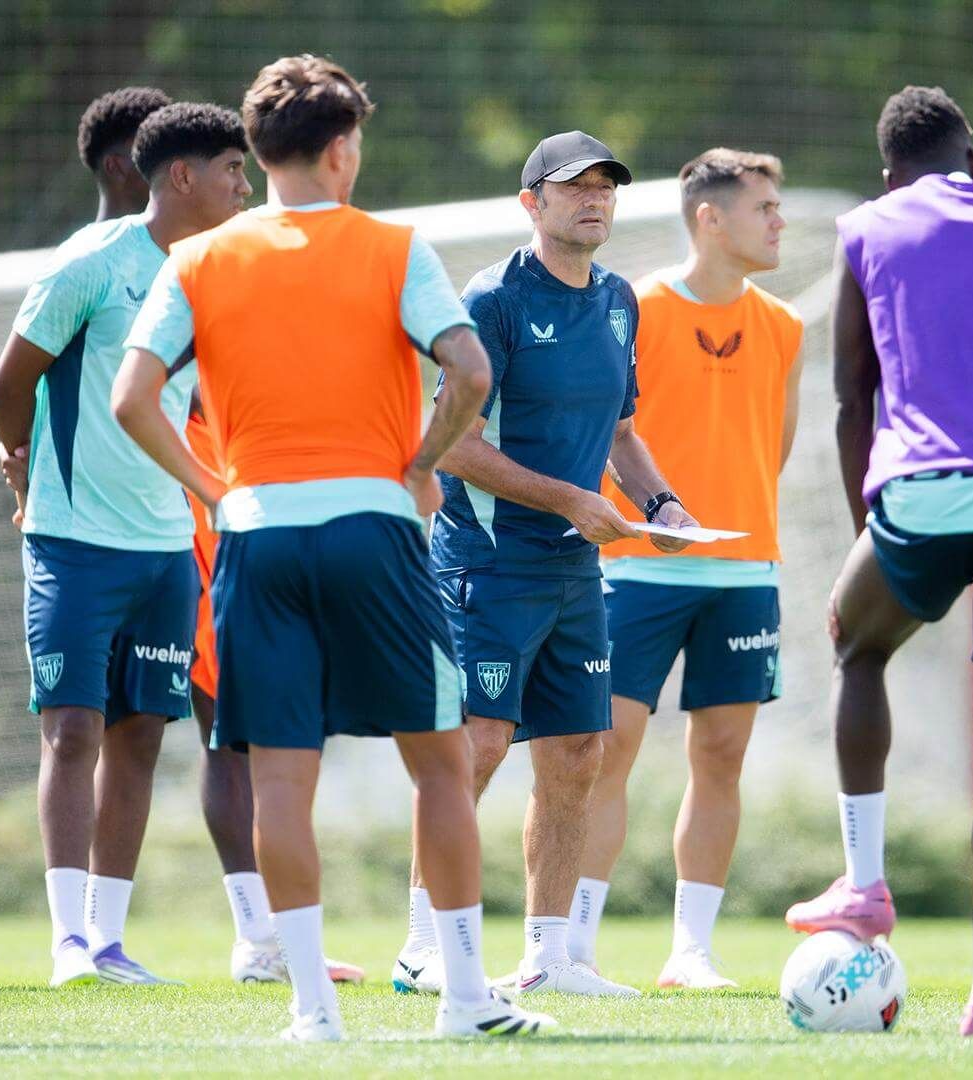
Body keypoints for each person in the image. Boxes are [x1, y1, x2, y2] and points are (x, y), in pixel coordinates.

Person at [113, 54, 550, 1041]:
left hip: (257, 537)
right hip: (374, 529)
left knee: (278, 775)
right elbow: (470, 369)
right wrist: (423, 459)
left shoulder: (199, 259)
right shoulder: (396, 248)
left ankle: (312, 1011)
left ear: (258, 153)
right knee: (440, 763)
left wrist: (213, 489)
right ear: (344, 150)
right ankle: (467, 999)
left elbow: (130, 398)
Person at [784, 85, 973, 1037]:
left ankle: (866, 885)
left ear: (889, 175)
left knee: (857, 643)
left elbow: (848, 397)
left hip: (927, 488)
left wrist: (864, 533)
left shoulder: (868, 227)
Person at [394, 130, 698, 1000]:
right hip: (487, 562)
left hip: (573, 570)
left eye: (606, 186)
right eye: (574, 188)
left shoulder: (619, 303)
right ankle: (421, 944)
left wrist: (662, 505)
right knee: (478, 747)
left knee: (576, 752)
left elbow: (620, 433)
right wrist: (569, 499)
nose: (594, 198)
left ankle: (551, 956)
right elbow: (451, 447)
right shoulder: (489, 299)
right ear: (533, 203)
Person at [0, 102, 260, 988]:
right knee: (72, 730)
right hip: (73, 542)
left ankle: (106, 940)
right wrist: (26, 481)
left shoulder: (212, 273)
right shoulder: (92, 263)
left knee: (142, 734)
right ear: (181, 177)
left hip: (166, 547)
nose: (244, 186)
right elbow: (9, 381)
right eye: (231, 170)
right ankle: (67, 941)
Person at [568, 148, 804, 989]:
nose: (779, 222)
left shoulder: (784, 326)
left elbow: (772, 449)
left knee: (723, 755)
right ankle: (575, 947)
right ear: (711, 217)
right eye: (764, 207)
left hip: (743, 573)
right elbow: (608, 431)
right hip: (636, 568)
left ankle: (691, 952)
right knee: (606, 748)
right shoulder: (637, 309)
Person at [78, 87, 172, 222]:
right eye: (159, 155)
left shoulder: (192, 240)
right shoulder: (84, 244)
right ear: (115, 167)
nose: (174, 169)